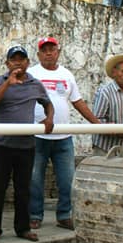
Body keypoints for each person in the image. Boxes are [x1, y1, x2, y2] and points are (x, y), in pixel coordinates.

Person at [27, 37, 101, 231]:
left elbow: (77, 102)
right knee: (35, 180)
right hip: (37, 136)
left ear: (58, 52)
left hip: (63, 137)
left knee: (67, 180)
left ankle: (64, 215)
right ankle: (35, 215)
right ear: (39, 54)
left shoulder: (67, 75)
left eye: (52, 49)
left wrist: (97, 124)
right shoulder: (31, 74)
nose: (49, 53)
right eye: (45, 50)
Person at [0, 45, 53, 243]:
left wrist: (49, 118)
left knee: (23, 189)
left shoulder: (35, 84)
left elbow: (47, 103)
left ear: (28, 62)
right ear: (7, 63)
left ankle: (23, 228)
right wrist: (8, 84)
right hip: (3, 144)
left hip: (26, 145)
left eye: (21, 59)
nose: (18, 63)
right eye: (14, 59)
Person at [92, 54, 123, 153]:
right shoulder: (105, 92)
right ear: (114, 72)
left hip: (122, 148)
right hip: (104, 147)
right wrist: (115, 130)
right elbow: (96, 120)